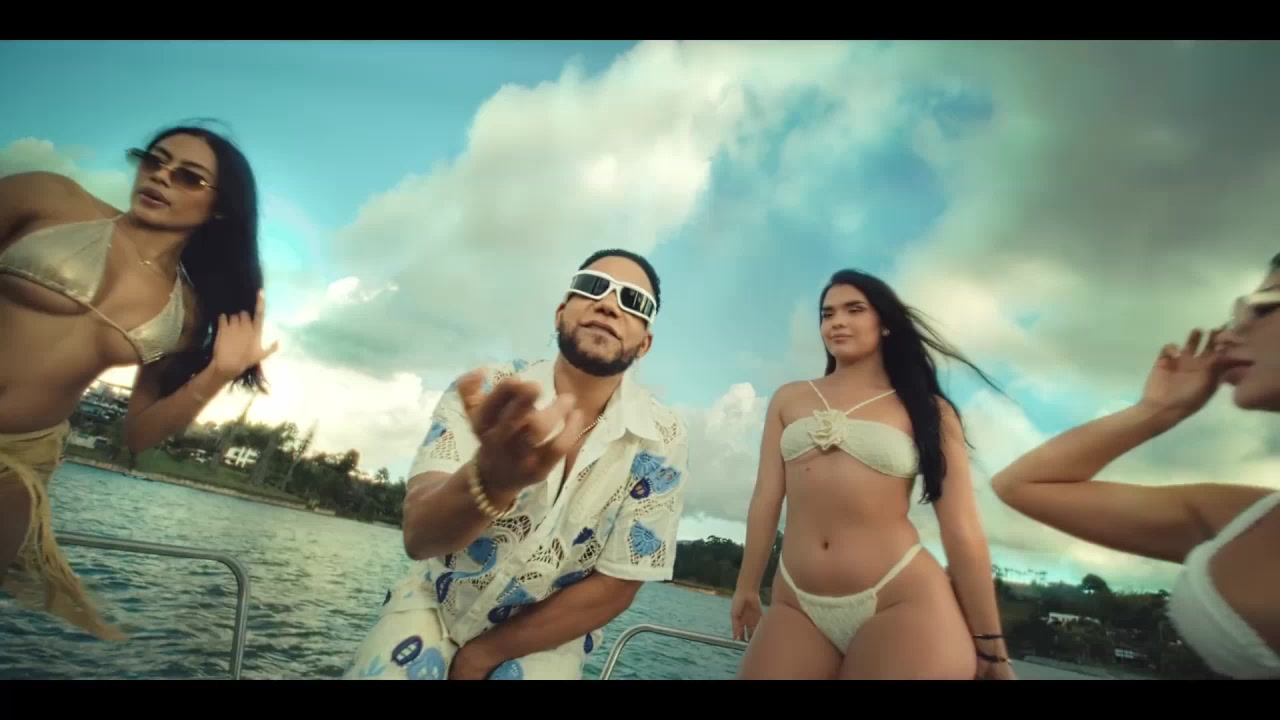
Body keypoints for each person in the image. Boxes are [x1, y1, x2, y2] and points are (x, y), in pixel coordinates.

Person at [343, 249, 688, 680]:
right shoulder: (487, 392)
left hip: (543, 638)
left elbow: (617, 585)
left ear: (645, 343)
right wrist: (489, 482)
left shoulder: (662, 438)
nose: (608, 305)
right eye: (592, 287)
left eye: (634, 301)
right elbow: (418, 534)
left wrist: (484, 654)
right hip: (434, 604)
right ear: (560, 312)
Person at [0, 124, 278, 640]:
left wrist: (217, 373)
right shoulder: (49, 198)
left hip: (18, 459)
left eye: (189, 177)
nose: (161, 177)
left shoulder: (185, 313)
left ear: (220, 208)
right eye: (155, 160)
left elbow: (139, 434)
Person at [991, 253, 1280, 679]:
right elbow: (1020, 485)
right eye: (1232, 316)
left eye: (1263, 305)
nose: (1225, 335)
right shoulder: (1248, 519)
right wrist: (1158, 410)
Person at [731, 269, 1016, 680]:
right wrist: (746, 586)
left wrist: (993, 649)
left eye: (854, 310)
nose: (837, 322)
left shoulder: (928, 410)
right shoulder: (789, 398)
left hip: (901, 600)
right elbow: (765, 499)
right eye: (827, 314)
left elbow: (962, 531)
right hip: (796, 603)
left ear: (884, 323)